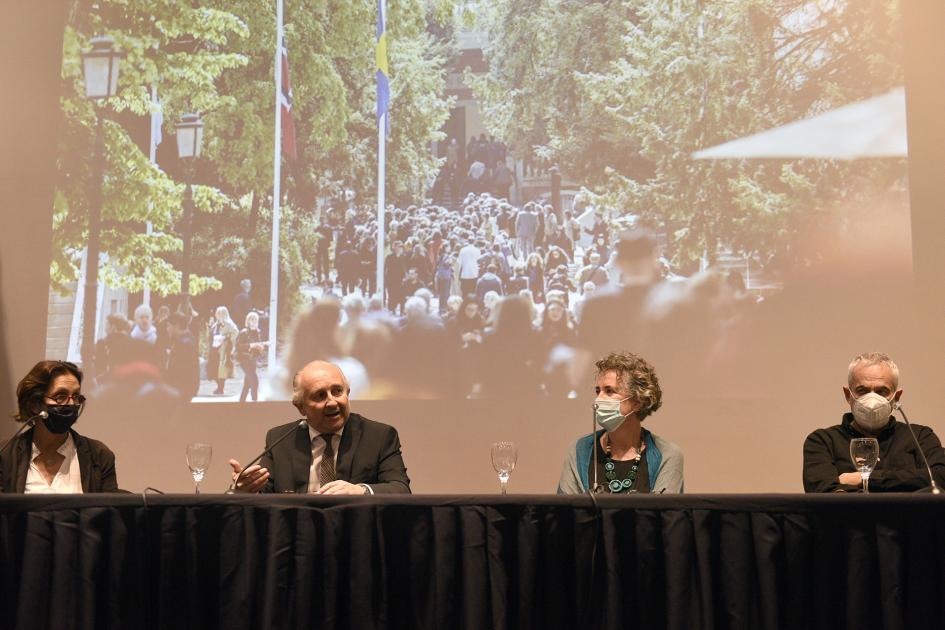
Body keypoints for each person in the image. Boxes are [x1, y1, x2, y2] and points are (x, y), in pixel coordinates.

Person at [227, 360, 410, 494]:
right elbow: (265, 492)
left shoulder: (379, 436)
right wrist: (245, 488)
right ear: (301, 407)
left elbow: (400, 488)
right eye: (320, 395)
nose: (332, 402)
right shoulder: (279, 439)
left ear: (348, 393)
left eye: (337, 391)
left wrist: (360, 490)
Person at [803, 352, 945, 493]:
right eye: (862, 391)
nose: (872, 399)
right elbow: (823, 491)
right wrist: (904, 485)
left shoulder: (920, 437)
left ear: (896, 397)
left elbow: (939, 478)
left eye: (882, 391)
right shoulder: (822, 441)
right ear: (848, 395)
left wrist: (865, 479)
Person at [557, 352, 683, 494]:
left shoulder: (667, 454)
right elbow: (564, 513)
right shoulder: (579, 450)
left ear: (637, 401)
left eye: (609, 391)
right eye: (598, 391)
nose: (598, 400)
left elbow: (665, 513)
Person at [0, 360, 118, 493]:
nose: (72, 404)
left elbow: (111, 511)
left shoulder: (99, 455)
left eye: (76, 396)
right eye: (60, 396)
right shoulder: (5, 455)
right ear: (34, 404)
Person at [235, 311, 267, 402]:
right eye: (251, 320)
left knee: (247, 383)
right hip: (244, 359)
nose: (254, 322)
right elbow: (238, 346)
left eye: (255, 320)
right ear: (248, 321)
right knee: (254, 381)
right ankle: (254, 402)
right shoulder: (243, 332)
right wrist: (251, 345)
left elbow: (258, 347)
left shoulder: (257, 332)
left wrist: (262, 346)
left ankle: (241, 402)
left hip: (253, 360)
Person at [207, 306, 239, 395]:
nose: (215, 315)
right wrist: (210, 326)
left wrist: (227, 338)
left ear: (222, 314)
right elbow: (211, 335)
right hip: (214, 348)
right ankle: (219, 386)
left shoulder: (229, 324)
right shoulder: (216, 324)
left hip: (223, 350)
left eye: (217, 313)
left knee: (221, 370)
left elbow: (235, 333)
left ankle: (220, 388)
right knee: (211, 368)